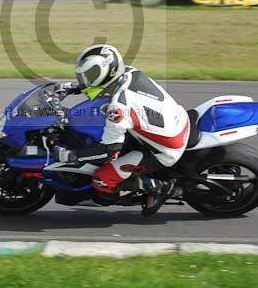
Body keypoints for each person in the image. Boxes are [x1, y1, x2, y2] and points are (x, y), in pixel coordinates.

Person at [51, 44, 190, 216]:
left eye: (90, 75)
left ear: (108, 72)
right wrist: (72, 87)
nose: (86, 79)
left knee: (102, 179)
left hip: (164, 150)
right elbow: (98, 86)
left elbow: (108, 151)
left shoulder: (118, 108)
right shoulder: (128, 72)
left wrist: (71, 156)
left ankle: (159, 187)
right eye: (83, 75)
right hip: (172, 120)